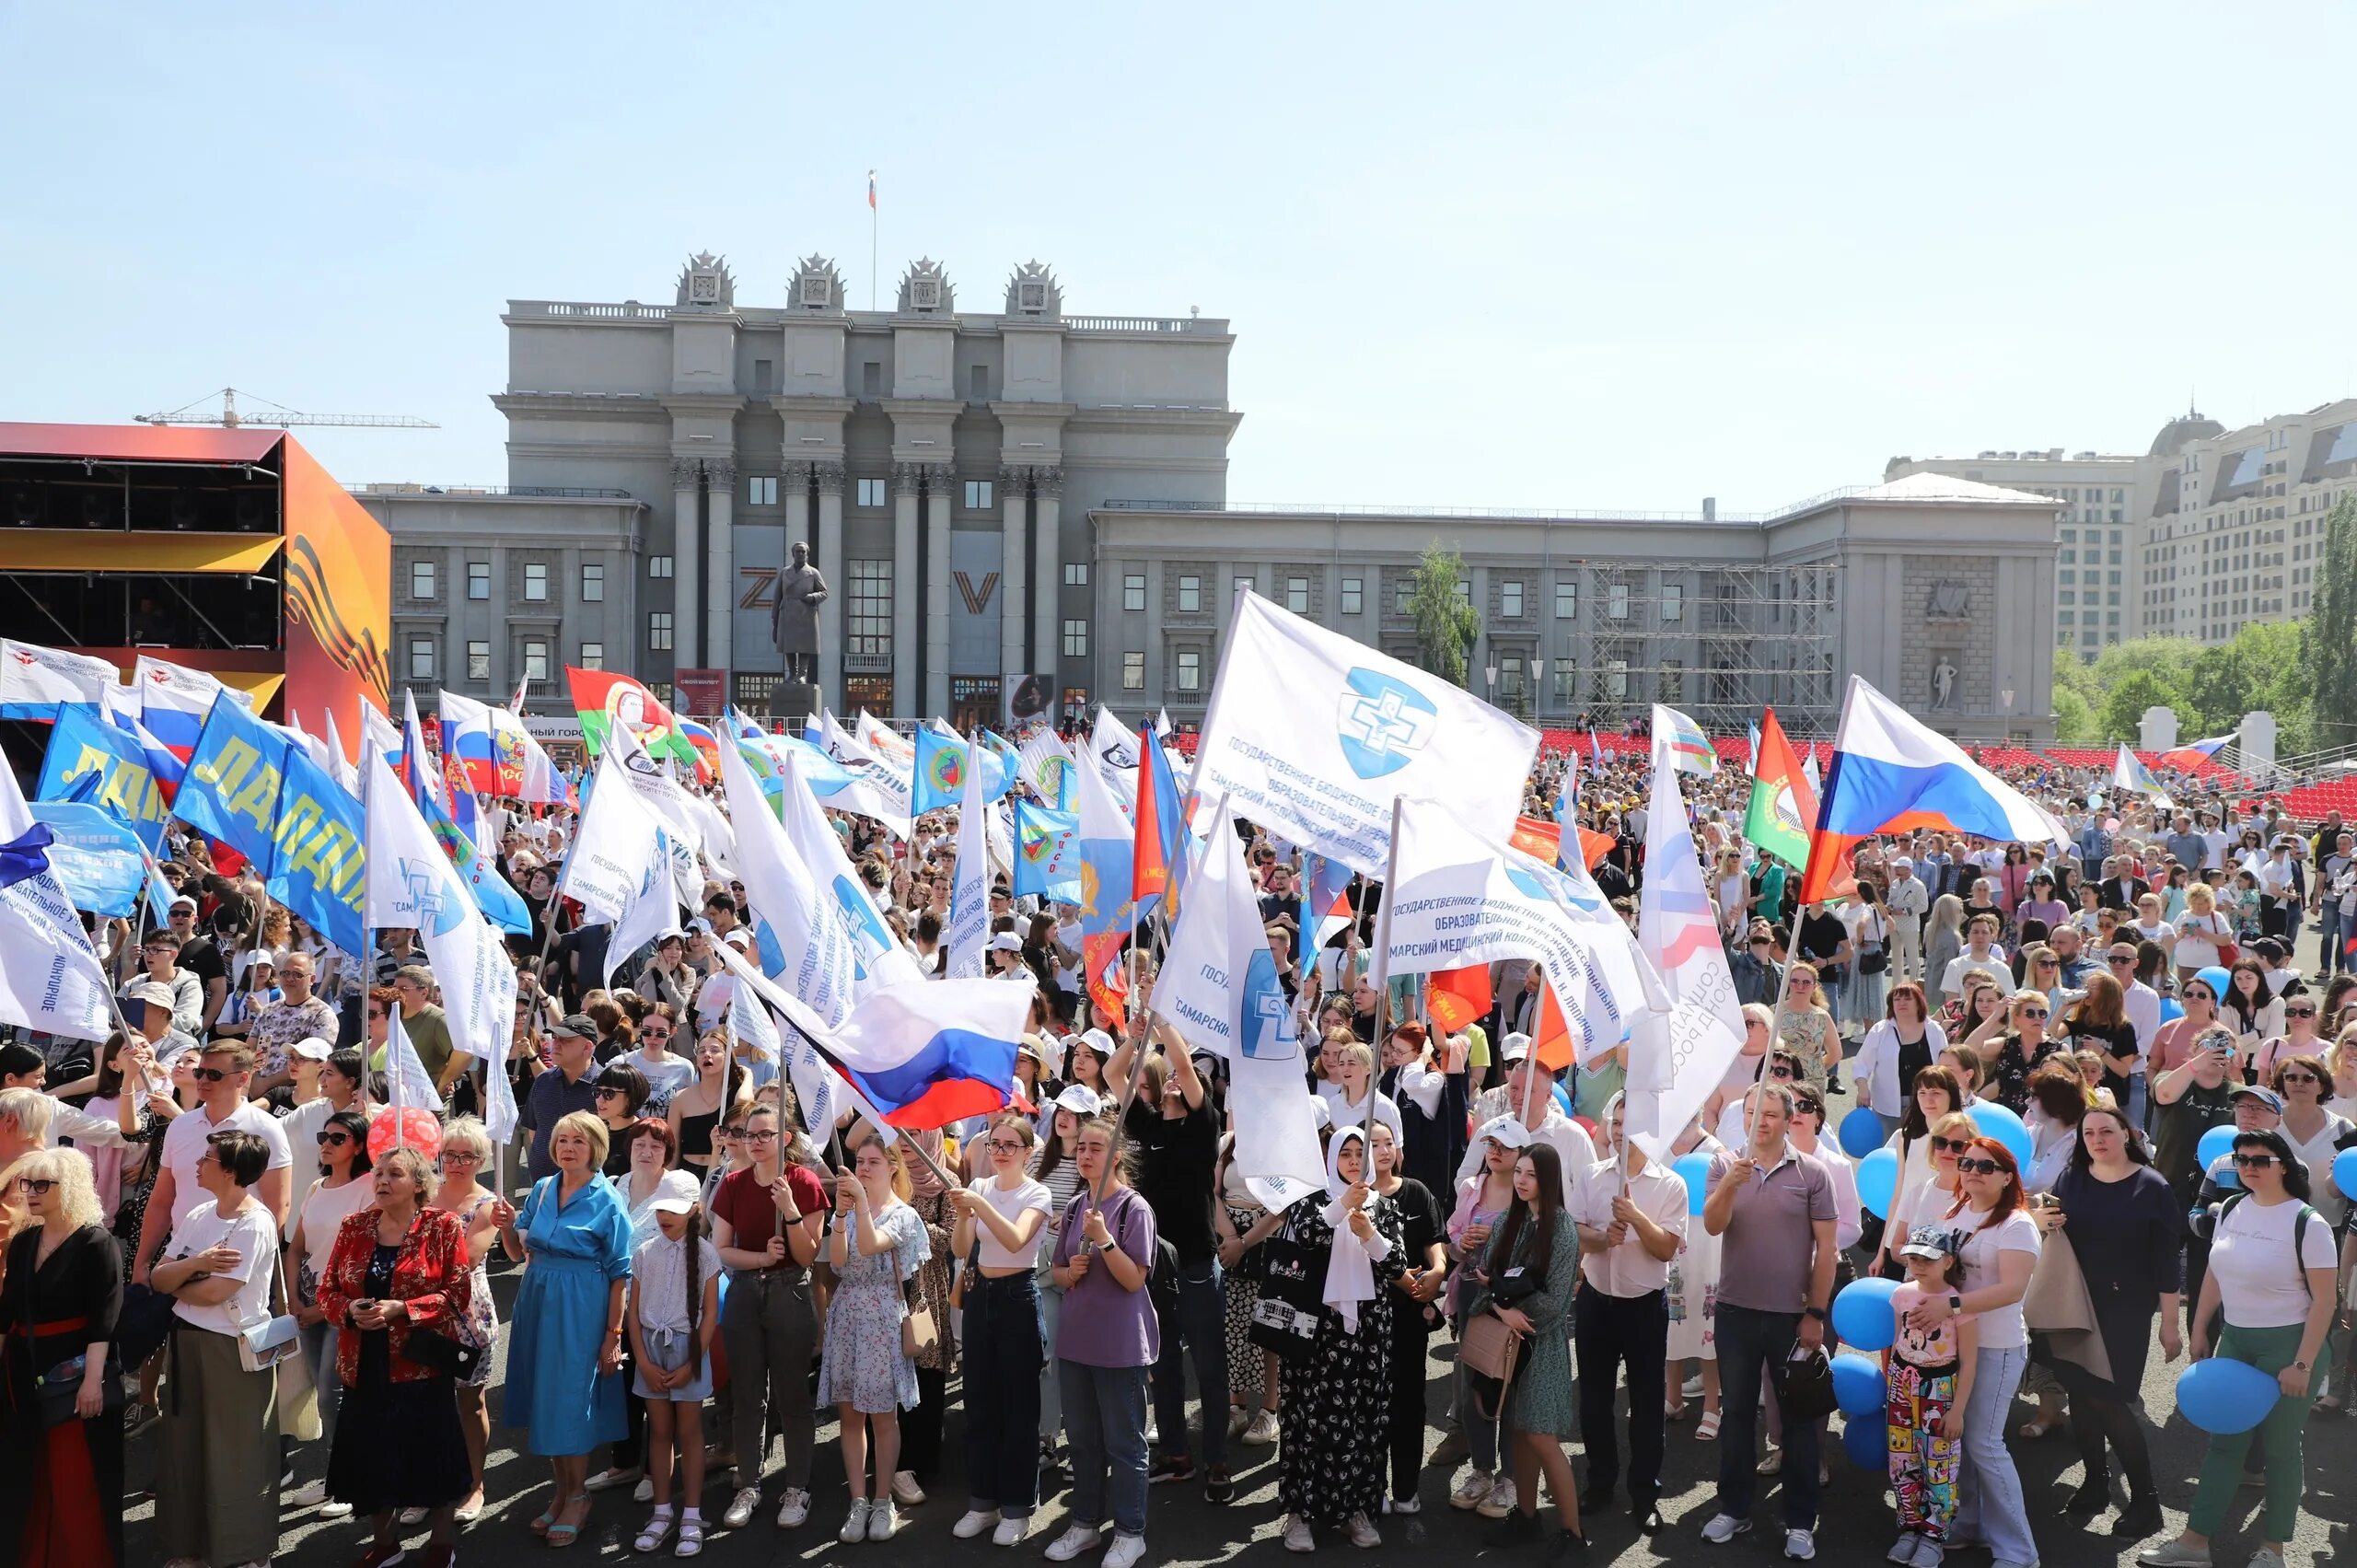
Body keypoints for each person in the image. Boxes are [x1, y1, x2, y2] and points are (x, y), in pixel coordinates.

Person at [2137, 1129, 2338, 1568]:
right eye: (2242, 1158)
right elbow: (2214, 1274)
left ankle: (2274, 1549)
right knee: (2225, 1445)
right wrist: (2201, 1329)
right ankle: (2193, 1545)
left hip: (2290, 1345)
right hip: (2237, 1340)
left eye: (2261, 1159)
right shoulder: (2229, 1208)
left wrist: (2302, 1364)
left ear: (2283, 1165)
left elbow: (2325, 1301)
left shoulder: (2309, 1222)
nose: (2249, 1166)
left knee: (2282, 1449)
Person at [317, 1144, 474, 1568]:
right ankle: (385, 1543)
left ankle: (441, 1544)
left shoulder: (442, 1226)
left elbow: (458, 1294)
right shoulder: (355, 1225)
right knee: (371, 1454)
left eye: (395, 1174)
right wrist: (349, 1311)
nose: (382, 1180)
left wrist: (404, 1309)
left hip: (419, 1362)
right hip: (363, 1361)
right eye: (379, 1173)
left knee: (431, 1453)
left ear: (419, 1184)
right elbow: (327, 1290)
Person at [1698, 1082, 1838, 1560]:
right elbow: (1713, 1225)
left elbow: (1828, 1251)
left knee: (1797, 1421)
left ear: (1788, 1118)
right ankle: (1734, 1509)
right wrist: (1732, 1185)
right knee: (1736, 1415)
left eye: (1771, 1114)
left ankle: (1801, 1521)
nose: (1761, 1122)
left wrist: (1815, 1313)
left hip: (1791, 1318)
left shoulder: (1814, 1173)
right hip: (1736, 1311)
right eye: (1753, 1112)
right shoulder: (1723, 1166)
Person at [2032, 1103, 2180, 1539]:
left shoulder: (2152, 1187)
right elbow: (2047, 1230)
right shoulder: (2072, 1179)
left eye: (2106, 1131)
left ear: (2128, 1135)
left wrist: (2170, 1325)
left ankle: (2146, 1501)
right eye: (2089, 1133)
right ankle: (2095, 1484)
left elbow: (2167, 1264)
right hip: (2072, 1304)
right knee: (2079, 1393)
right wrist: (2042, 1220)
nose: (2097, 1139)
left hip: (2125, 1312)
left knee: (2110, 1401)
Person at [496, 1109, 635, 1548]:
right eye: (561, 1140)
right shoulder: (541, 1188)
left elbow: (620, 1274)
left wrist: (613, 1337)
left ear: (595, 1147)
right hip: (538, 1298)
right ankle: (561, 1491)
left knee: (571, 1400)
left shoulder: (607, 1199)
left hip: (581, 1305)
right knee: (546, 1397)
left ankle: (578, 1495)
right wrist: (505, 1228)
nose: (568, 1148)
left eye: (577, 1141)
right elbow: (518, 1251)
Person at [1901, 1136, 2041, 1568]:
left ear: (2006, 1177)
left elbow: (2013, 1290)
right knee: (1957, 1439)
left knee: (1984, 1444)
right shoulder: (1956, 1212)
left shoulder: (2017, 1224)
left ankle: (2019, 1551)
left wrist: (1951, 1305)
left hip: (1998, 1345)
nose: (1973, 1172)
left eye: (1985, 1166)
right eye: (1968, 1164)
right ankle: (1970, 1525)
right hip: (1952, 1346)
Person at [1108, 1029, 1235, 1502]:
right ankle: (1178, 1456)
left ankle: (1217, 1460)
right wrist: (1139, 1033)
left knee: (1209, 1367)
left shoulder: (1204, 1126)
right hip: (1154, 1264)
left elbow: (1183, 1066)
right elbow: (1113, 1072)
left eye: (1192, 1081)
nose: (1183, 1083)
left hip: (1199, 1263)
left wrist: (1165, 1026)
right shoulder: (1147, 1126)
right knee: (1163, 1367)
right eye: (1177, 1081)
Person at [150, 1128, 282, 1568]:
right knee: (186, 1450)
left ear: (228, 1170)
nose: (198, 1165)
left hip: (232, 1348)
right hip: (187, 1342)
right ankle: (194, 1549)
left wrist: (181, 1278)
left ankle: (244, 1553)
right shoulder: (201, 1212)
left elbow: (213, 1294)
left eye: (206, 1159)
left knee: (236, 1455)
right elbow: (158, 1277)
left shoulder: (255, 1221)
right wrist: (198, 1264)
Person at [1, 1147, 124, 1568]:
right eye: (26, 1183)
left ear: (66, 1187)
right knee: (27, 1472)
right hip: (20, 1371)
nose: (30, 1193)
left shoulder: (96, 1242)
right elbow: (7, 1312)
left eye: (41, 1184)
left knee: (76, 1477)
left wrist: (92, 1381)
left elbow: (103, 1321)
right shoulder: (24, 1241)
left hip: (71, 1376)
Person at [1045, 1116, 1157, 1568]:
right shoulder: (1074, 1206)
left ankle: (1131, 1532)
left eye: (1097, 1147)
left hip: (1119, 1345)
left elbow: (1134, 1281)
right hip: (1075, 1342)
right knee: (1084, 1442)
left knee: (1124, 1445)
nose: (1087, 1155)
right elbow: (1054, 1271)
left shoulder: (1135, 1208)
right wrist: (1066, 1272)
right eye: (1082, 1148)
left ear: (1117, 1155)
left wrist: (1105, 1241)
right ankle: (1086, 1524)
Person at [709, 1099, 827, 1530]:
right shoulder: (733, 1183)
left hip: (789, 1293)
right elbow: (722, 1248)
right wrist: (760, 1257)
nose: (755, 1142)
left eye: (765, 1134)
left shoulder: (805, 1182)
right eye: (748, 1135)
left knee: (792, 1395)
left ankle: (797, 1486)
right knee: (747, 1395)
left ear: (786, 1139)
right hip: (743, 1293)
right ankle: (750, 1484)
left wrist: (791, 1212)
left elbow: (807, 1255)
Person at [1572, 1095, 1687, 1533]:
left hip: (1643, 1308)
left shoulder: (1670, 1184)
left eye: (1629, 1124)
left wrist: (1636, 1218)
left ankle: (1644, 1494)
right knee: (1595, 1401)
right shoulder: (1592, 1176)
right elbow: (1578, 1232)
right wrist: (1604, 1239)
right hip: (1597, 1302)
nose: (1620, 1132)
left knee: (1646, 1402)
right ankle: (1600, 1483)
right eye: (1615, 1124)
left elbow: (1664, 1250)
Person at [1470, 1139, 1588, 1557]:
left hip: (1543, 1346)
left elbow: (1556, 1302)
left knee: (1541, 1436)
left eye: (1531, 1174)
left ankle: (1573, 1533)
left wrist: (1512, 1309)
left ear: (1549, 1179)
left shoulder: (1563, 1228)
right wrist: (1504, 1310)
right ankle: (1526, 1516)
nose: (1521, 1180)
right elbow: (1484, 1275)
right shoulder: (1509, 1220)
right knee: (1519, 1431)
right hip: (1509, 1341)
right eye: (1518, 1172)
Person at [816, 1126, 931, 1545]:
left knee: (883, 1416)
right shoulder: (847, 1209)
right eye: (860, 1162)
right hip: (847, 1312)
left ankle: (883, 1500)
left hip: (883, 1315)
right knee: (850, 1415)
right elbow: (841, 1261)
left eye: (873, 1163)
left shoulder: (903, 1213)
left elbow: (872, 1243)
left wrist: (860, 1207)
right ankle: (858, 1501)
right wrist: (843, 1213)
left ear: (892, 1167)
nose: (863, 1169)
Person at [949, 1113, 1054, 1545]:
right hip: (980, 1294)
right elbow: (961, 1248)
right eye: (994, 1144)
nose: (1000, 1152)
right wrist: (962, 1215)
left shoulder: (1038, 1192)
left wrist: (979, 1206)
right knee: (980, 1403)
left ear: (1029, 1153)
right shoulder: (979, 1188)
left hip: (1017, 1296)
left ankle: (1016, 1508)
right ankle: (983, 1502)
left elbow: (1016, 1240)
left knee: (1018, 1409)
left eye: (1010, 1145)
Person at [284, 1107, 376, 1511]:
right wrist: (293, 1299)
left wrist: (323, 1307)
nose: (326, 1144)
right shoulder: (316, 1188)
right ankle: (339, 1476)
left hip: (343, 1306)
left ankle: (348, 1481)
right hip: (307, 1301)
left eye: (338, 1138)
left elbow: (370, 1256)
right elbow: (296, 1248)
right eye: (324, 1136)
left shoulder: (369, 1187)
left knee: (331, 1395)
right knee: (323, 1394)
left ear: (358, 1146)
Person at [625, 1193, 721, 1558]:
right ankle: (662, 1513)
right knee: (659, 1431)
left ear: (693, 1211)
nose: (665, 1216)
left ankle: (692, 1515)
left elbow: (710, 1314)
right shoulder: (645, 1252)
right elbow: (633, 1313)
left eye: (674, 1210)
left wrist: (691, 1363)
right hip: (650, 1349)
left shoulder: (707, 1254)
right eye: (660, 1209)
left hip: (689, 1348)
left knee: (690, 1432)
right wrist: (644, 1362)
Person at [1445, 1115, 1530, 1514]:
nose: (1495, 1153)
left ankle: (1510, 1477)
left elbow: (1533, 1256)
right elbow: (1452, 1248)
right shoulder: (1470, 1188)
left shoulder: (1528, 1194)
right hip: (1472, 1298)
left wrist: (1493, 1249)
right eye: (1491, 1145)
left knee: (1511, 1388)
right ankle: (1482, 1469)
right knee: (1474, 1384)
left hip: (1513, 1304)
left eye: (1505, 1147)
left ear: (1521, 1155)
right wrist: (1462, 1244)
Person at [1883, 1225, 1977, 1567]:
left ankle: (1934, 1537)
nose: (1918, 1265)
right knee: (1902, 1459)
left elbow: (1968, 1362)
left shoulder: (1960, 1304)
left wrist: (1958, 1411)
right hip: (1901, 1386)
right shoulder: (1902, 1295)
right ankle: (1909, 1526)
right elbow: (1897, 1343)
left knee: (1939, 1466)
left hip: (1939, 1391)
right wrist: (1893, 1386)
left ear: (1949, 1260)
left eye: (1928, 1258)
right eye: (1913, 1257)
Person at [424, 1115, 503, 1521]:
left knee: (469, 1402)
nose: (456, 1162)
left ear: (481, 1160)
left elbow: (467, 1259)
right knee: (425, 1402)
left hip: (466, 1316)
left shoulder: (488, 1204)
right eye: (449, 1154)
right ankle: (429, 1484)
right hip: (420, 1315)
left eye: (467, 1156)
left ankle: (474, 1485)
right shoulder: (423, 1194)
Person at [1854, 984, 1948, 1139]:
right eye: (1897, 999)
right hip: (1887, 1107)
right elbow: (1861, 1064)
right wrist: (1863, 1088)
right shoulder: (1880, 1030)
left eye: (1907, 999)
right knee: (1889, 1149)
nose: (1901, 1003)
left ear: (1919, 1003)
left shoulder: (1934, 1030)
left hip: (1928, 1104)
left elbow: (1945, 1067)